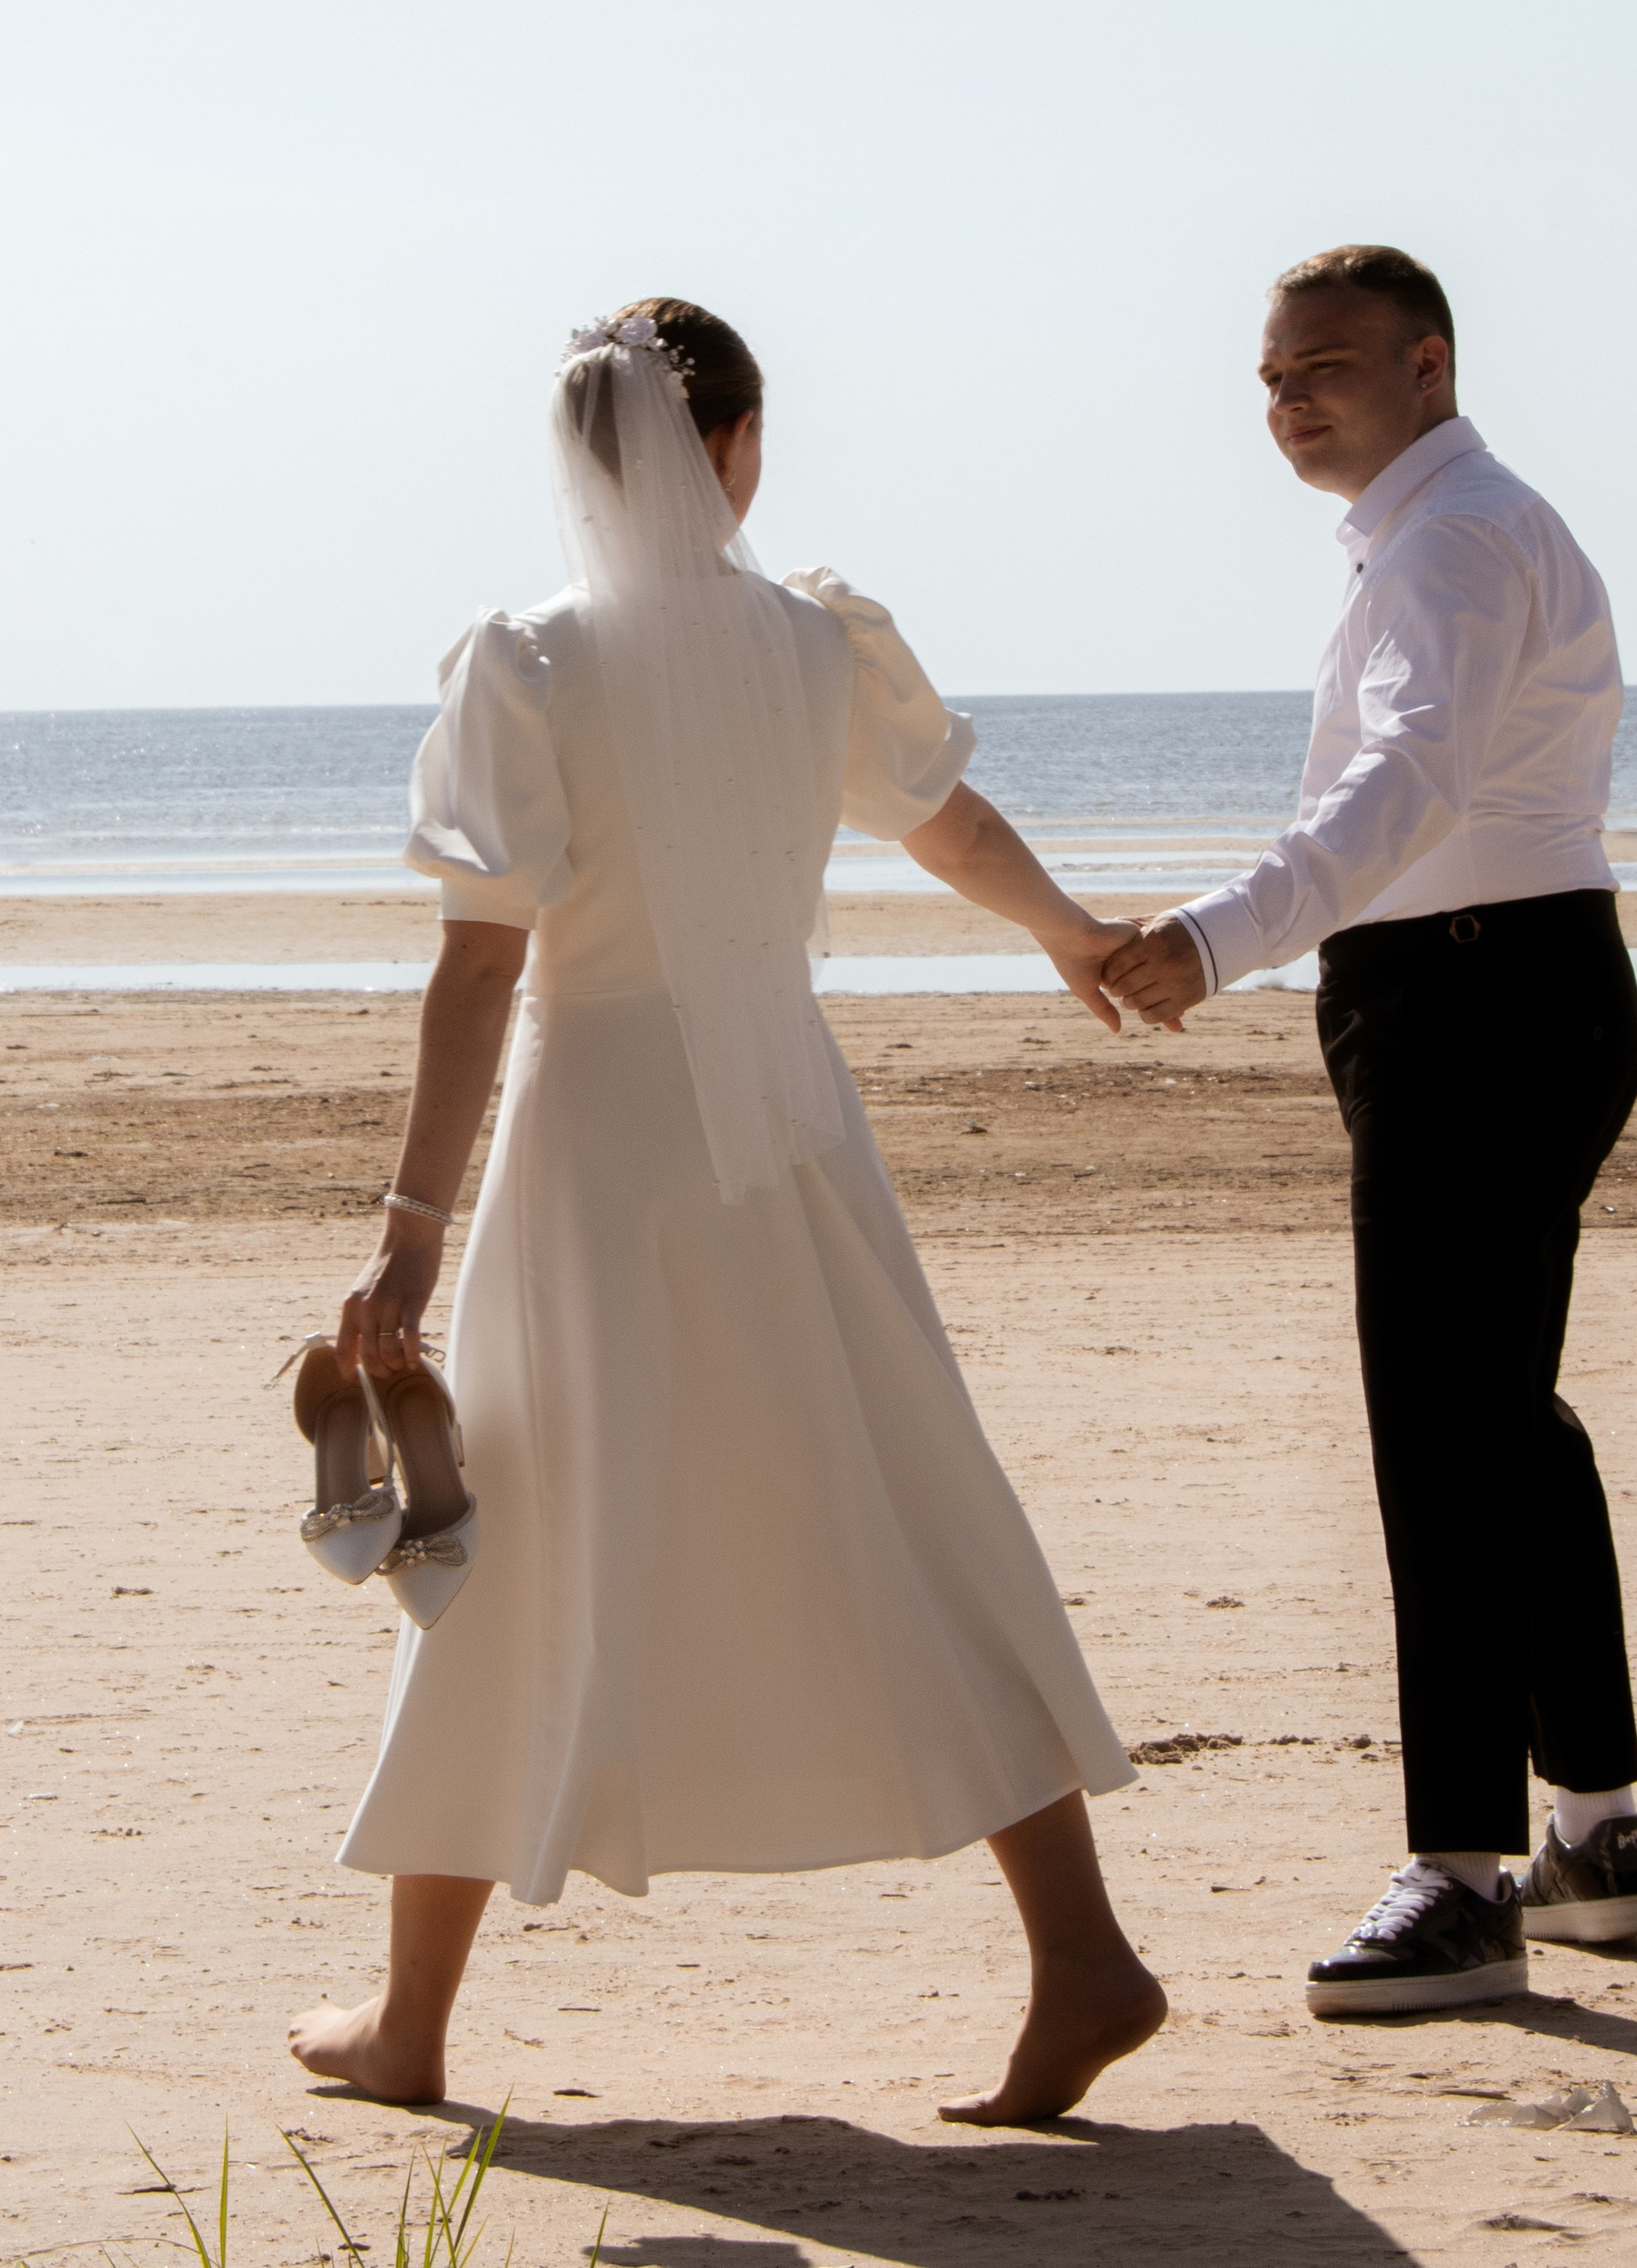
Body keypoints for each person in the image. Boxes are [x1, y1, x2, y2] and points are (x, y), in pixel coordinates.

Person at [289, 298, 1166, 2119]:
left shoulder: (525, 661)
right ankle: (1077, 1953)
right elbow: (945, 824)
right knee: (896, 1499)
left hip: (602, 1142)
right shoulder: (810, 642)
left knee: (512, 1541)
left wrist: (407, 1228)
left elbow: (476, 969)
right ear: (739, 447)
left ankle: (412, 2025)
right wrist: (1072, 932)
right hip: (788, 1131)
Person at [1103, 246, 1637, 2019]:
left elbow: (1405, 780)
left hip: (1477, 999)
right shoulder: (1452, 528)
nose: (1289, 400)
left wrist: (1216, 934)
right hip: (1506, 987)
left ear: (1424, 364)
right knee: (1498, 1415)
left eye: (1325, 367)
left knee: (1442, 1433)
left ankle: (1459, 1873)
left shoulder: (1445, 540)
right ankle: (1593, 1830)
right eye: (1270, 377)